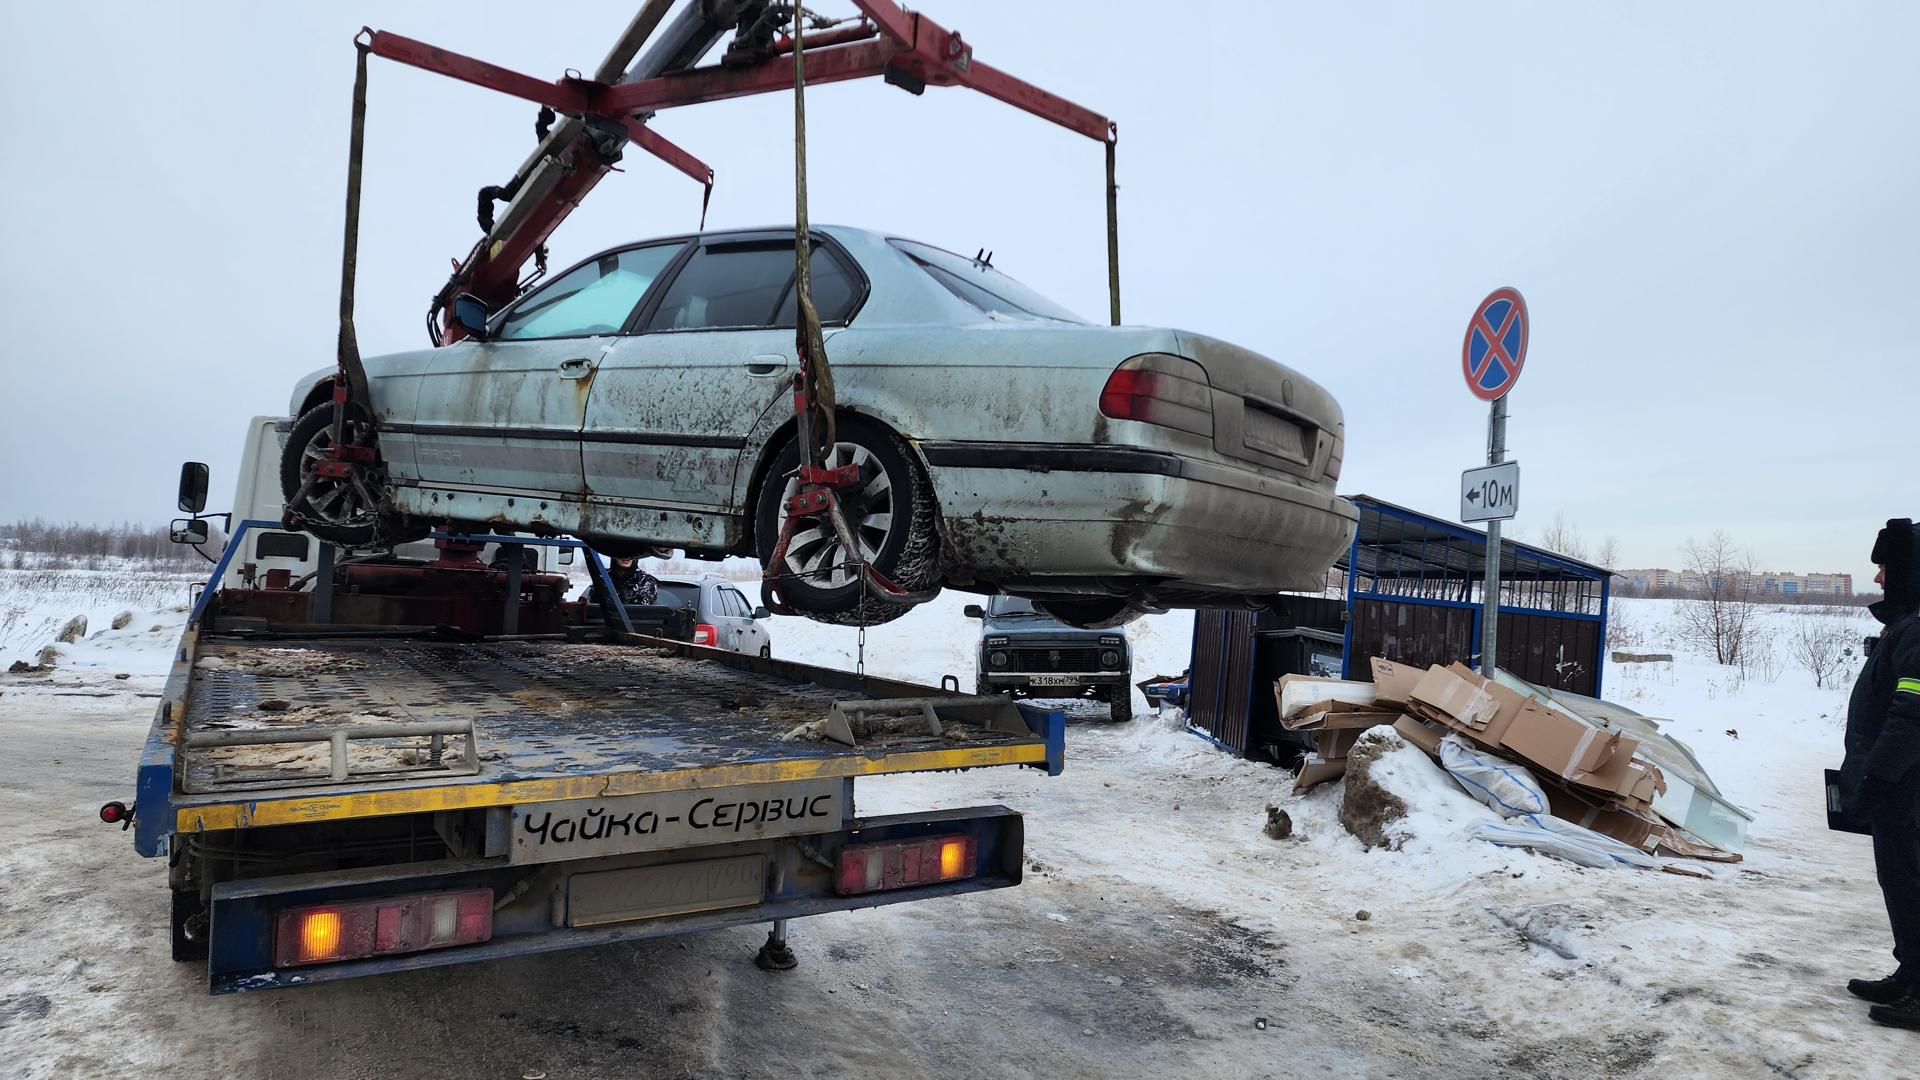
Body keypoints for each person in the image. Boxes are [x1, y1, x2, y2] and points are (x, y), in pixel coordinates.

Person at [1842, 518, 1920, 1030]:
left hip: (1906, 788)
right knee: (1898, 880)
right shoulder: (1906, 623)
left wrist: (1876, 777)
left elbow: (1911, 714)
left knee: (1911, 882)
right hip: (1899, 788)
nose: (1878, 579)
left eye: (1886, 569)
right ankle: (1910, 972)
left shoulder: (1917, 627)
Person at [591, 555, 659, 609]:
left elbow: (642, 613)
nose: (627, 557)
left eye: (632, 553)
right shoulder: (602, 577)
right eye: (622, 552)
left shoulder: (646, 581)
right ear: (613, 555)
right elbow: (593, 606)